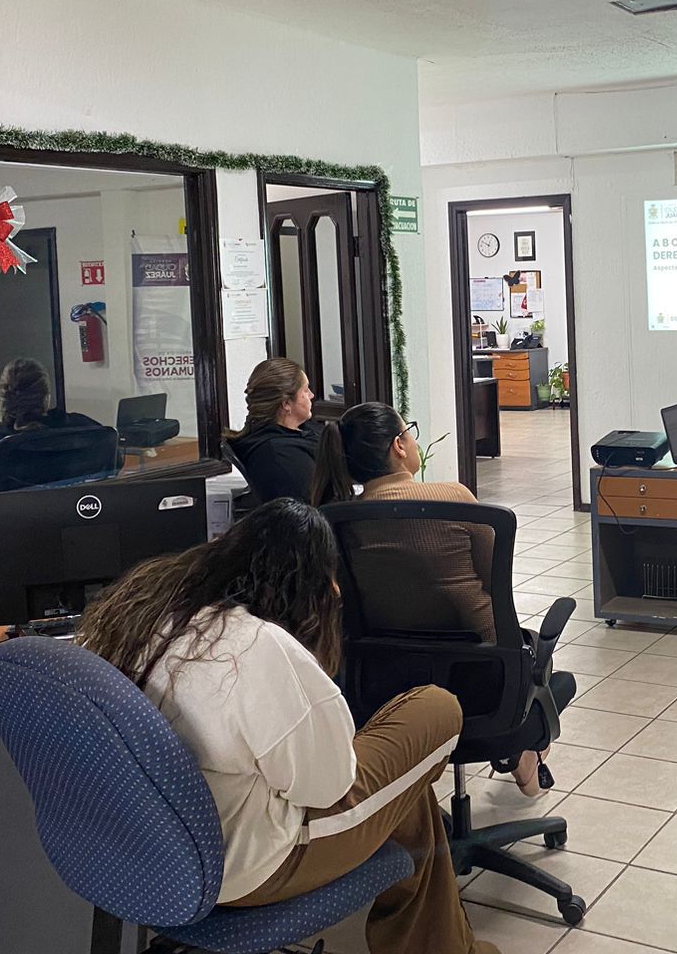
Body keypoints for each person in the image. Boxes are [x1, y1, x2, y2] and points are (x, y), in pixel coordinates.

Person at [78, 499, 496, 954]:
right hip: (245, 867)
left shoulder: (151, 613)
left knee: (406, 794)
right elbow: (328, 787)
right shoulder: (259, 648)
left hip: (148, 849)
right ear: (319, 589)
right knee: (435, 708)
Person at [312, 402, 556, 797]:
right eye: (409, 432)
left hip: (384, 684)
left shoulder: (339, 519)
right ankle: (524, 759)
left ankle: (520, 758)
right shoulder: (453, 497)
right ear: (399, 446)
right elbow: (493, 582)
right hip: (480, 680)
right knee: (549, 675)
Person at [0, 359, 106, 498]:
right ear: (47, 398)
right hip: (77, 516)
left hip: (16, 521)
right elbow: (112, 460)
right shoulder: (83, 428)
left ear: (4, 399)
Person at [227, 358, 320, 502]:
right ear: (287, 404)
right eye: (306, 390)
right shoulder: (280, 455)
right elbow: (310, 506)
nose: (312, 395)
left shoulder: (302, 430)